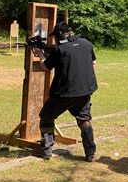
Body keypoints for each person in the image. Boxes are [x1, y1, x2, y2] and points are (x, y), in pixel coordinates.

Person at [33, 22, 98, 161]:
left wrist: (40, 54)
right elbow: (93, 63)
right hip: (85, 90)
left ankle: (46, 150)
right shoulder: (86, 43)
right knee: (84, 120)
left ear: (59, 36)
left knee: (46, 116)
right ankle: (90, 152)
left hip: (64, 93)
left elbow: (46, 66)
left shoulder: (60, 49)